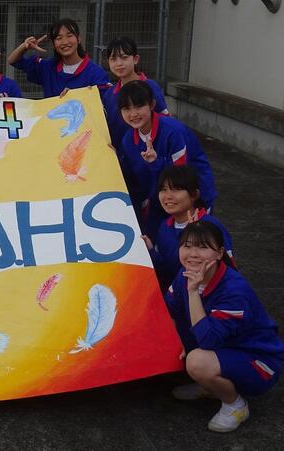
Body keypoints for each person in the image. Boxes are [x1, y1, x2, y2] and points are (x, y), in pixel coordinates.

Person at [164, 221, 283, 432]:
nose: (193, 254)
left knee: (197, 362)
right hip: (223, 347)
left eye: (203, 247)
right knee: (168, 336)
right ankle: (211, 386)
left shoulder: (234, 290)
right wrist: (175, 340)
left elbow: (208, 341)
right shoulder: (185, 274)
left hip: (258, 361)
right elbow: (169, 310)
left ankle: (235, 405)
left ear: (219, 253)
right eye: (187, 246)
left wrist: (193, 293)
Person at [118, 80, 217, 238]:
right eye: (126, 109)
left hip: (193, 196)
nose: (133, 114)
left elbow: (182, 178)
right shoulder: (128, 140)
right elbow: (135, 181)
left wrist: (155, 162)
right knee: (156, 238)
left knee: (192, 240)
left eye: (139, 106)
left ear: (152, 104)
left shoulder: (173, 132)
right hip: (160, 197)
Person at [142, 166, 233, 291]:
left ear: (194, 194)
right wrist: (151, 251)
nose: (168, 196)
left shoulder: (211, 226)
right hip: (177, 296)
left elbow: (228, 269)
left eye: (176, 189)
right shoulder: (164, 226)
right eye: (163, 189)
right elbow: (168, 271)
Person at [6, 18, 108, 98]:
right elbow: (13, 61)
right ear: (53, 44)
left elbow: (104, 103)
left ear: (79, 39)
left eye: (69, 35)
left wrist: (80, 96)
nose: (65, 42)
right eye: (59, 38)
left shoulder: (95, 73)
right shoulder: (48, 68)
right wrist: (25, 46)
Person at [100, 37, 168, 157]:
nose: (119, 63)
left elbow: (165, 122)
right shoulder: (109, 94)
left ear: (136, 59)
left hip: (146, 156)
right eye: (113, 59)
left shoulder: (150, 87)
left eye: (124, 57)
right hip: (116, 158)